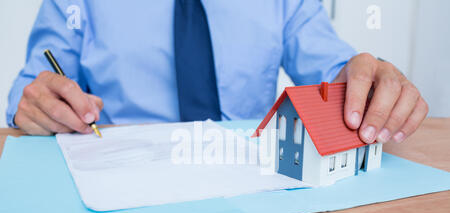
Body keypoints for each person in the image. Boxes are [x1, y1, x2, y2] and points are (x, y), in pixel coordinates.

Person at [7, 0, 428, 145]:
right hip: (121, 185)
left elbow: (334, 71)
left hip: (250, 184)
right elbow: (36, 86)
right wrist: (34, 102)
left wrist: (366, 86)